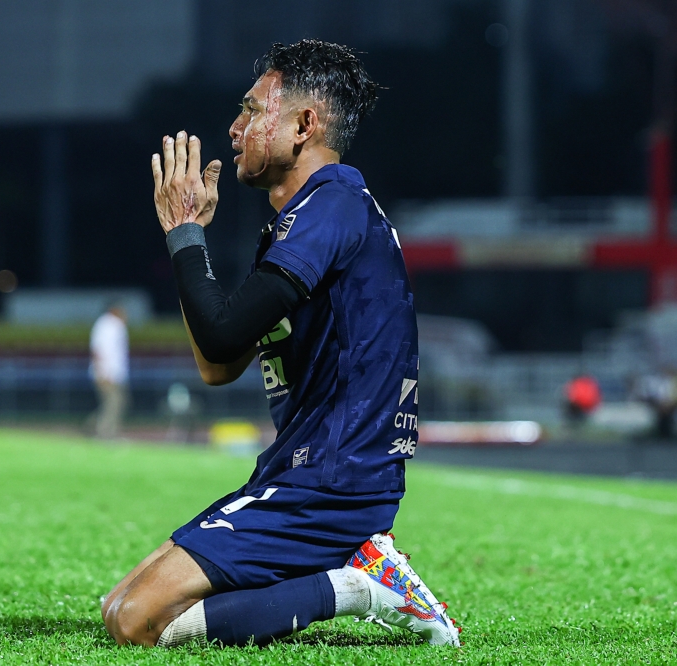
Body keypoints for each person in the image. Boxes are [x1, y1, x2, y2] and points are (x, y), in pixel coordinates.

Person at [101, 40, 460, 648]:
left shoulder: (331, 206)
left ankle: (363, 587)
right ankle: (351, 572)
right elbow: (219, 363)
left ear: (302, 124)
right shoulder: (317, 218)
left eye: (251, 109)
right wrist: (187, 240)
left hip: (331, 480)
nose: (235, 127)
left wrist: (185, 235)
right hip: (307, 472)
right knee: (118, 605)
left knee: (135, 620)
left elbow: (220, 338)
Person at [89, 304, 129, 438]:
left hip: (114, 373)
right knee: (114, 402)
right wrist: (103, 371)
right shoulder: (106, 325)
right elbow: (98, 349)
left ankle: (92, 428)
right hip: (106, 372)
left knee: (115, 403)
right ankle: (105, 434)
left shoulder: (116, 325)